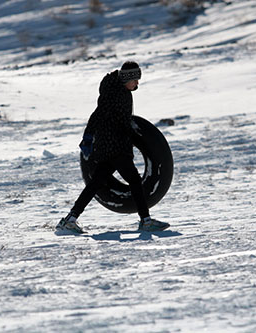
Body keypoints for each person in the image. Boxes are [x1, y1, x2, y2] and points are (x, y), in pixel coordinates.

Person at [56, 61, 170, 234]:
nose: (137, 83)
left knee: (95, 184)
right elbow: (109, 118)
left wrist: (89, 136)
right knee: (134, 181)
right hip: (116, 146)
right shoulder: (119, 94)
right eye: (135, 80)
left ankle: (70, 219)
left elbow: (98, 114)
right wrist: (130, 133)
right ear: (127, 79)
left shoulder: (112, 91)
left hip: (106, 145)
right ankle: (146, 221)